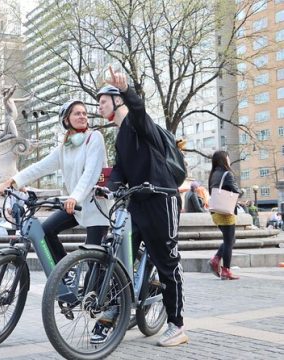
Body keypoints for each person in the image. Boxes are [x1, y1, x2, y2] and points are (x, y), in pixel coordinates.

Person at [97, 65, 187, 347]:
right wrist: (108, 189)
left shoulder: (138, 123)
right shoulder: (120, 136)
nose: (98, 106)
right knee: (120, 255)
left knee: (167, 262)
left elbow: (138, 109)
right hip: (137, 203)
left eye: (103, 101)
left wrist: (126, 90)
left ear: (117, 102)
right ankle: (115, 312)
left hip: (161, 199)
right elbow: (121, 170)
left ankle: (177, 324)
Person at [0, 99, 110, 263]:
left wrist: (74, 197)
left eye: (84, 113)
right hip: (77, 205)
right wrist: (13, 181)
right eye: (77, 113)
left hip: (96, 207)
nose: (83, 116)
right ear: (66, 120)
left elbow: (91, 173)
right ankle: (65, 272)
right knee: (46, 231)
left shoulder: (94, 138)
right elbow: (40, 167)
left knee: (93, 262)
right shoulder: (65, 147)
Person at [207, 150, 242, 281]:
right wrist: (242, 192)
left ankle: (216, 259)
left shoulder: (214, 174)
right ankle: (226, 270)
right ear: (224, 159)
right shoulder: (227, 174)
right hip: (226, 212)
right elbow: (236, 192)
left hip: (216, 212)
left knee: (230, 240)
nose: (229, 159)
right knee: (229, 241)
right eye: (228, 157)